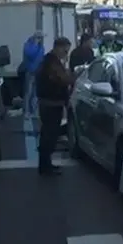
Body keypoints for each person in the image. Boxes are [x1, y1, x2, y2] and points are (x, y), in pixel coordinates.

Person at [36, 37, 74, 175]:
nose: (66, 53)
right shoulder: (52, 63)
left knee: (49, 134)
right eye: (65, 50)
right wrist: (74, 76)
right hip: (51, 104)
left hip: (50, 102)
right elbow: (62, 79)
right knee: (49, 135)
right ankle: (45, 166)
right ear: (58, 47)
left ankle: (46, 164)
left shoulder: (51, 61)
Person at [22, 30, 45, 117]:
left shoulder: (41, 47)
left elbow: (41, 58)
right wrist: (35, 44)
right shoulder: (28, 45)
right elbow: (30, 55)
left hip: (38, 72)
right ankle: (27, 111)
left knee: (35, 93)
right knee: (28, 92)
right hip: (30, 72)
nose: (41, 40)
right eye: (40, 38)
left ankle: (34, 111)